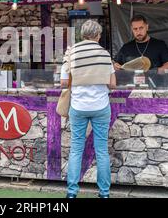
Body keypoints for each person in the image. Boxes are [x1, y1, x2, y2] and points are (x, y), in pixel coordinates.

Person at [61, 20, 116, 199]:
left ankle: (71, 193)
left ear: (82, 34)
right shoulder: (104, 54)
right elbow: (112, 84)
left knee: (76, 149)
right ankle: (104, 193)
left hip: (78, 106)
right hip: (100, 106)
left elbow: (63, 82)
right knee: (102, 151)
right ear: (98, 35)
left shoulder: (72, 52)